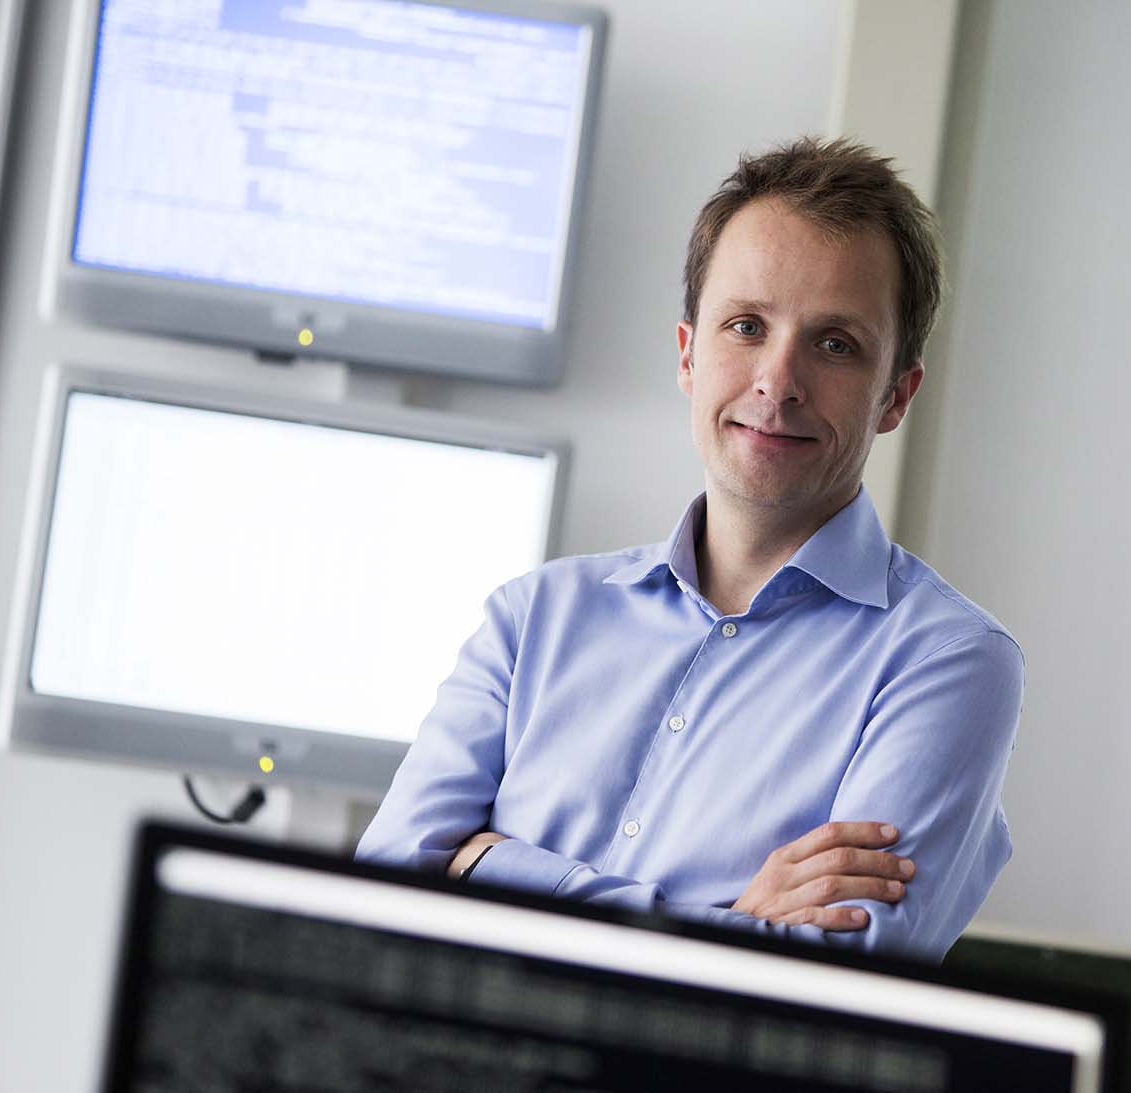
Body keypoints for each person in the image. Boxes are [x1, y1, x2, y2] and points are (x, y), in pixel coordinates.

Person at [356, 137, 1023, 961]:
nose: (777, 381)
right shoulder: (532, 619)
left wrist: (491, 865)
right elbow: (381, 897)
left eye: (836, 344)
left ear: (896, 396)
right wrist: (731, 927)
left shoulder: (949, 662)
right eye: (746, 326)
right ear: (688, 353)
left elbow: (838, 981)